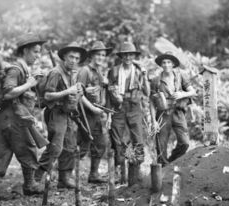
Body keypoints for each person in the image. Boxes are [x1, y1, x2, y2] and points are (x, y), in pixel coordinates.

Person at [34, 42, 103, 189]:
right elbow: (47, 95)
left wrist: (82, 92)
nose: (74, 60)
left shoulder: (73, 73)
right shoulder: (56, 72)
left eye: (77, 58)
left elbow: (76, 91)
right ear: (64, 57)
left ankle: (64, 179)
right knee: (56, 147)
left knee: (70, 146)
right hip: (56, 112)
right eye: (71, 57)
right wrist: (67, 92)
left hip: (69, 113)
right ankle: (36, 177)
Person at [0, 33, 46, 202]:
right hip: (14, 119)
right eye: (35, 52)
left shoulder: (20, 69)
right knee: (28, 149)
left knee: (1, 152)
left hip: (5, 119)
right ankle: (30, 185)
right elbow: (8, 93)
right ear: (26, 51)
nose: (37, 55)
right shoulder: (15, 69)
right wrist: (30, 84)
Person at [107, 42, 150, 183]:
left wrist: (145, 75)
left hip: (134, 107)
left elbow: (147, 92)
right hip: (118, 108)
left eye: (130, 54)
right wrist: (114, 96)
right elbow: (109, 89)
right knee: (118, 140)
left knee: (138, 140)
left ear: (134, 56)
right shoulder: (113, 71)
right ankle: (120, 174)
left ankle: (135, 174)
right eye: (125, 54)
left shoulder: (138, 71)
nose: (127, 57)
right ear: (121, 56)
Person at [149, 52, 196, 167]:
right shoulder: (156, 80)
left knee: (184, 143)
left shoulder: (180, 76)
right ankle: (163, 169)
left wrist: (181, 94)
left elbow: (193, 92)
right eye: (164, 62)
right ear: (161, 64)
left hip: (178, 112)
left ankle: (172, 161)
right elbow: (151, 101)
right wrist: (153, 121)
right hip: (163, 114)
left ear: (173, 63)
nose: (166, 65)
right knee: (161, 145)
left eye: (169, 62)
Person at [77, 41, 112, 184]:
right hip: (85, 113)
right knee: (82, 145)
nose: (101, 57)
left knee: (100, 144)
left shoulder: (100, 72)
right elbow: (79, 93)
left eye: (103, 55)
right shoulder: (85, 71)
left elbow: (101, 94)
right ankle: (63, 175)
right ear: (91, 55)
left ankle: (94, 174)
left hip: (96, 114)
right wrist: (92, 108)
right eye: (98, 54)